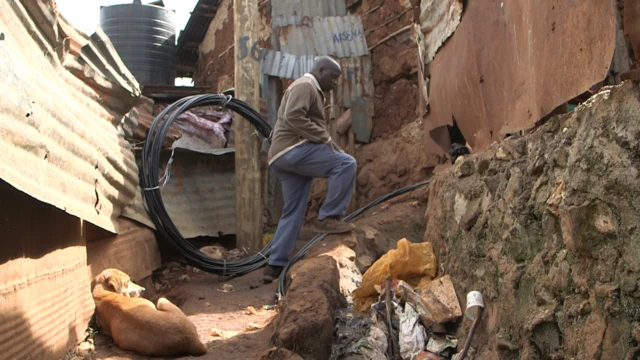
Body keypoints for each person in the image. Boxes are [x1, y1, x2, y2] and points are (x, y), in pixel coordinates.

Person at [263, 56, 357, 283]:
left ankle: (275, 265)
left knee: (293, 210)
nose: (335, 83)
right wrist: (323, 137)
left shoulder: (309, 89)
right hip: (292, 150)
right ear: (321, 70)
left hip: (281, 157)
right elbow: (293, 116)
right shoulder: (305, 85)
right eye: (333, 78)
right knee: (346, 163)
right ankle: (330, 216)